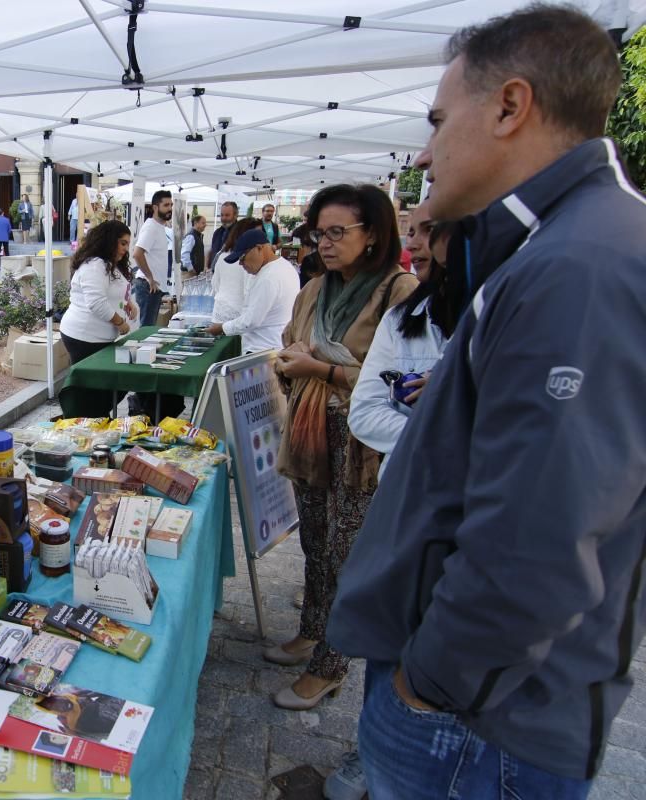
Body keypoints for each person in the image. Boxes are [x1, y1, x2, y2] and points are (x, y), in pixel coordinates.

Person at [329, 7, 645, 798]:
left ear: (510, 106)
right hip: (485, 710)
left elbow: (537, 545)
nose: (426, 152)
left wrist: (430, 685)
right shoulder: (566, 247)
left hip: (479, 724)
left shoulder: (581, 266)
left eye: (439, 121)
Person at [323, 209, 461, 800]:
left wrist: (456, 405)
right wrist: (451, 423)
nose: (418, 244)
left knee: (450, 669)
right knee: (390, 647)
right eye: (415, 231)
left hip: (478, 540)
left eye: (433, 232)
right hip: (405, 519)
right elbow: (367, 412)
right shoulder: (409, 318)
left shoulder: (516, 321)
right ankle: (374, 744)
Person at [266, 183, 417, 711]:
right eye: (317, 233)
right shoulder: (315, 288)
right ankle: (312, 629)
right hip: (310, 433)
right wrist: (288, 362)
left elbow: (401, 380)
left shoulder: (398, 291)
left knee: (344, 554)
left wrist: (322, 368)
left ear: (372, 234)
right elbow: (290, 340)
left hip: (361, 445)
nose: (324, 244)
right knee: (314, 541)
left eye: (337, 232)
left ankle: (330, 667)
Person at [58, 220, 138, 416]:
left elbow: (116, 290)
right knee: (93, 389)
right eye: (122, 243)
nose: (125, 249)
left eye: (127, 244)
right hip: (84, 336)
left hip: (99, 337)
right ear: (109, 241)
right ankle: (86, 421)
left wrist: (128, 303)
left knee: (101, 388)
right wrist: (120, 323)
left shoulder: (109, 264)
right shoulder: (95, 265)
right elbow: (96, 303)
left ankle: (93, 419)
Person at [206, 227, 300, 352]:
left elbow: (250, 321)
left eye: (242, 258)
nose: (240, 264)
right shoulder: (284, 267)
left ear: (259, 248)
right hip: (273, 345)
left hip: (261, 351)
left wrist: (222, 328)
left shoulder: (269, 278)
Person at [130, 189, 172, 326]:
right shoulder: (151, 227)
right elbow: (137, 253)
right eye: (166, 205)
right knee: (145, 330)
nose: (170, 208)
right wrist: (150, 278)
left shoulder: (158, 227)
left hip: (152, 286)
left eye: (171, 205)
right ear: (155, 207)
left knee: (147, 328)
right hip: (148, 286)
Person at [210, 217, 262, 327]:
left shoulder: (222, 255)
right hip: (239, 315)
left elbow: (215, 285)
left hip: (221, 310)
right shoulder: (249, 260)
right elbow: (249, 290)